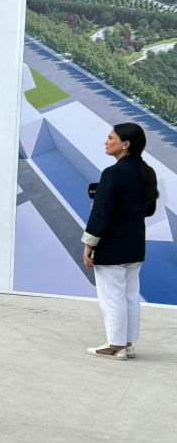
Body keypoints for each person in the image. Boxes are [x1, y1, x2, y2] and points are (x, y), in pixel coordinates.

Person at [82, 122, 159, 360]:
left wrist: (89, 243)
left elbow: (101, 213)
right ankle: (127, 343)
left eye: (110, 137)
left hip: (112, 244)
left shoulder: (112, 173)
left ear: (125, 144)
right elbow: (149, 210)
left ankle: (114, 345)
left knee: (111, 296)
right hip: (135, 243)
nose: (106, 141)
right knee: (129, 295)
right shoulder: (147, 171)